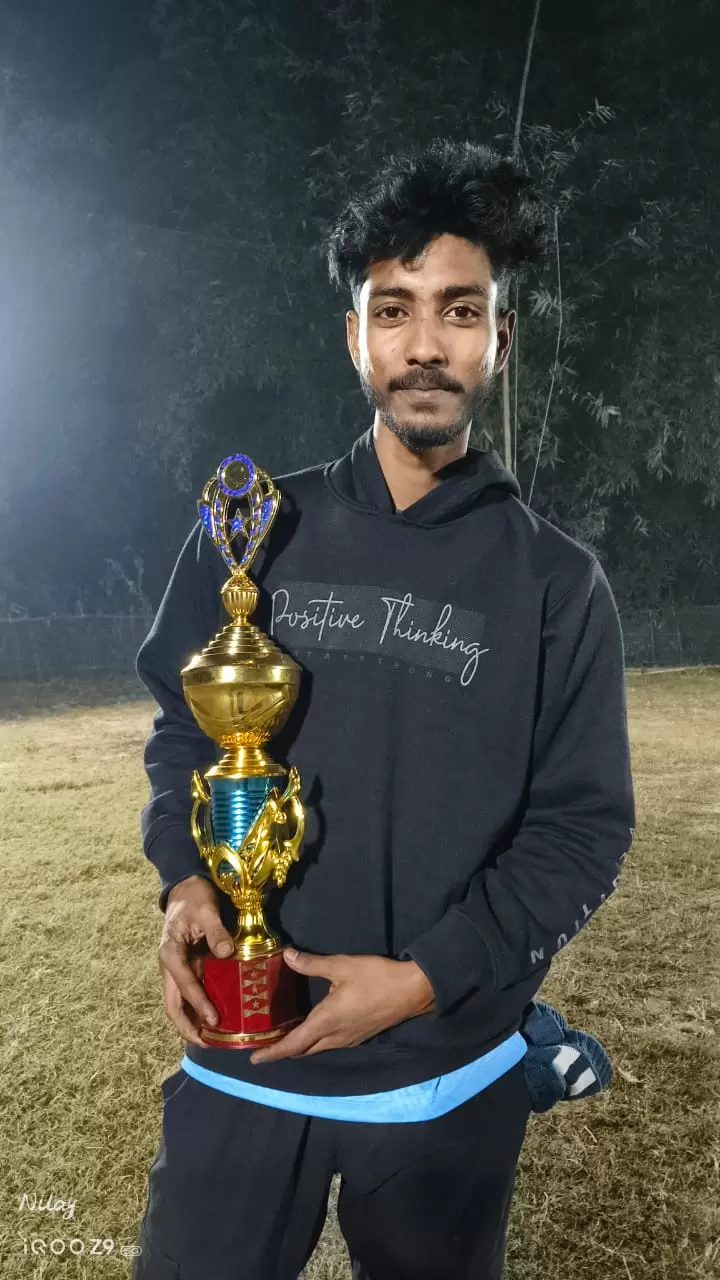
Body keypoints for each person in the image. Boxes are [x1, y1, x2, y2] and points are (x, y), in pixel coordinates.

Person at [132, 138, 635, 1280]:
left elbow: (583, 829)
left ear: (500, 339)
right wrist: (186, 881)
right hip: (244, 1049)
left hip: (441, 1071)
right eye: (393, 309)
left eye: (459, 310)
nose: (424, 345)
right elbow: (184, 731)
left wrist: (424, 979)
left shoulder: (556, 583)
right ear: (354, 335)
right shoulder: (253, 529)